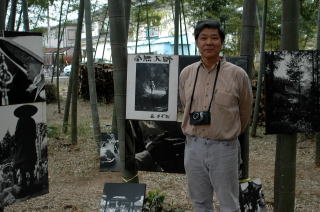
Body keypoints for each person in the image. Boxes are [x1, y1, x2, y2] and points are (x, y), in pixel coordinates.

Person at [179, 19, 253, 212]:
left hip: (224, 149)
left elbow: (245, 112)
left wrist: (227, 131)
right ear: (197, 42)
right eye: (203, 38)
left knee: (229, 203)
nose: (208, 42)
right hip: (193, 147)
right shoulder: (187, 73)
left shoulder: (238, 75)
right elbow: (184, 104)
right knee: (200, 203)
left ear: (221, 42)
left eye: (214, 38)